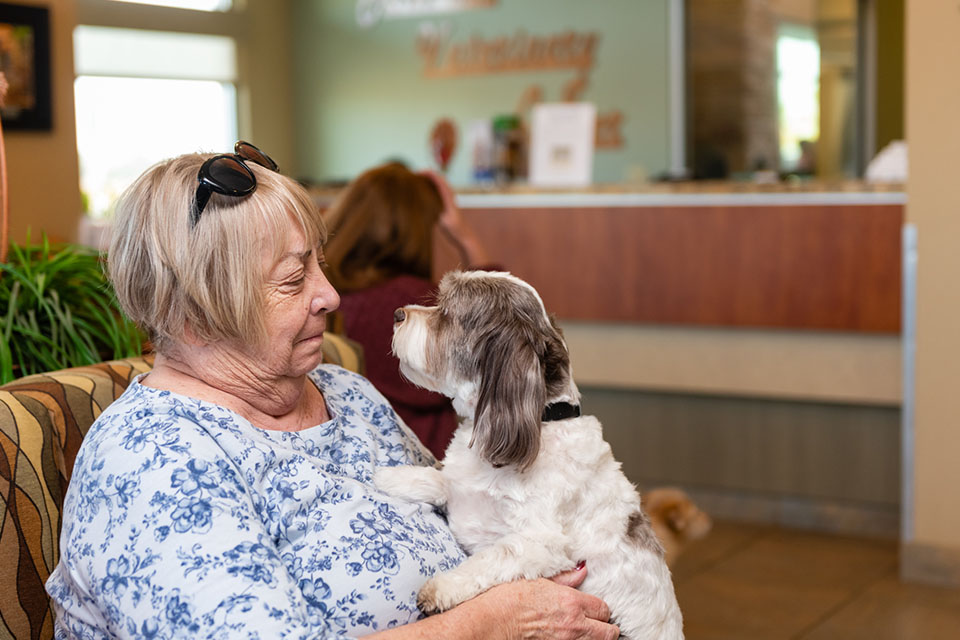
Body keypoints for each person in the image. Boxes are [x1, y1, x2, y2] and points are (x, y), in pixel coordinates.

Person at [45, 143, 619, 640]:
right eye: (294, 280)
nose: (330, 295)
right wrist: (492, 623)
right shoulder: (151, 463)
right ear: (193, 318)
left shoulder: (343, 390)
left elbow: (481, 509)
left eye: (319, 264)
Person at [322, 162, 494, 459]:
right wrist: (465, 236)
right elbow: (498, 330)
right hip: (423, 457)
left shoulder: (327, 296)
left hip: (357, 454)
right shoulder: (418, 303)